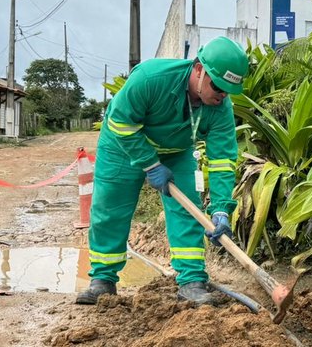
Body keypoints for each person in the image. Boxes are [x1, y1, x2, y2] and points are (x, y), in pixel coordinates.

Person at [76, 36, 249, 305]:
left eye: (228, 90)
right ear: (199, 69)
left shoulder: (220, 108)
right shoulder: (150, 78)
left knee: (187, 209)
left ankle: (192, 280)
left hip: (176, 152)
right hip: (123, 144)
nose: (222, 96)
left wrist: (220, 209)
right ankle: (103, 279)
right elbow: (121, 123)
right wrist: (150, 163)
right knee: (110, 209)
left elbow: (222, 161)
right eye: (218, 86)